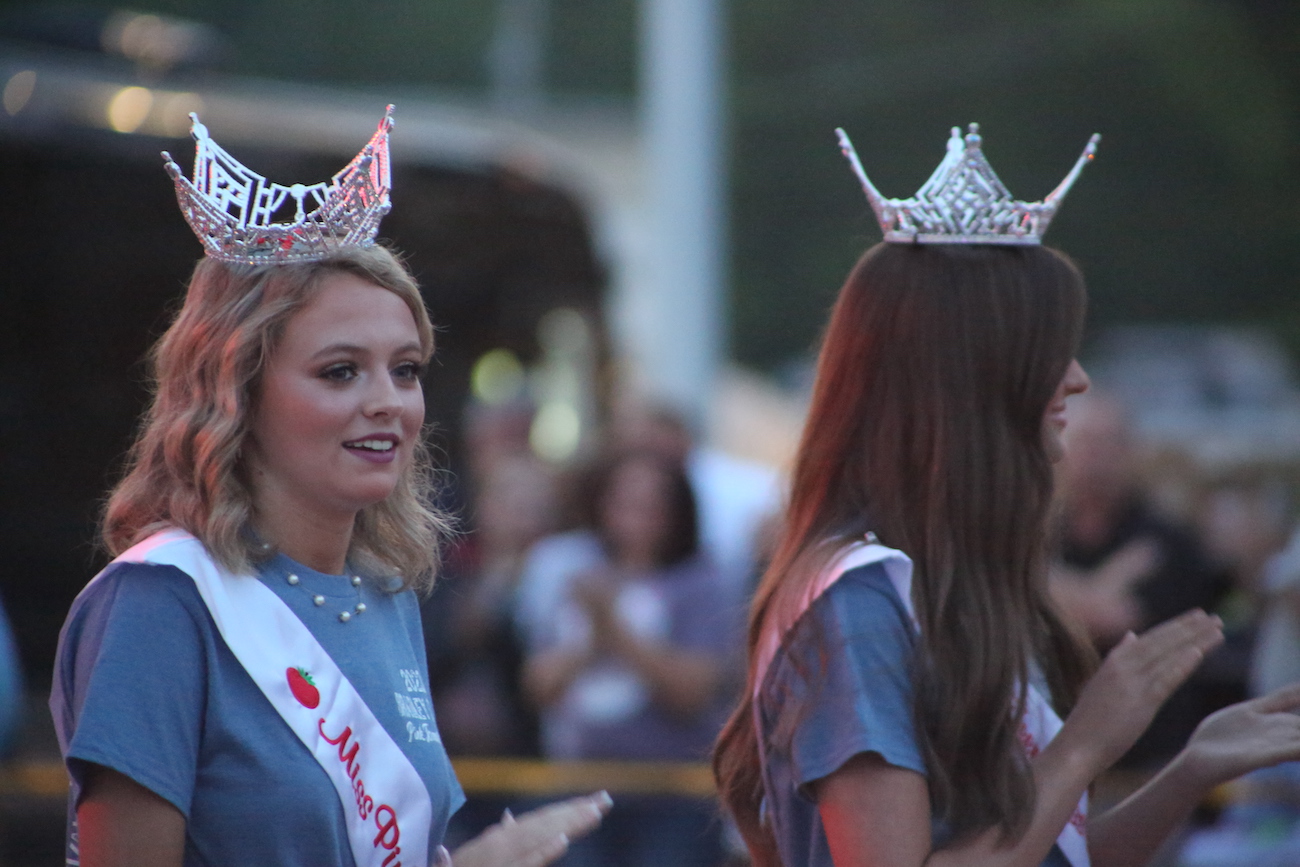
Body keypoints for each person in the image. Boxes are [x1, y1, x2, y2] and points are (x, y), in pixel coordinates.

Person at [712, 123, 1300, 867]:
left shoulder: (950, 585)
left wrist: (1190, 771)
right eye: (1051, 351)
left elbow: (1048, 855)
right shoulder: (857, 602)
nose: (1078, 379)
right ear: (977, 378)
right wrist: (1087, 741)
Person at [49, 106, 609, 867]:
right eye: (340, 370)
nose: (388, 400)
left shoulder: (385, 592)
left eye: (404, 369)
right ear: (236, 390)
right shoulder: (163, 602)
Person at [520, 449, 739, 867]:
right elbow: (539, 685)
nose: (635, 518)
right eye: (623, 503)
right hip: (581, 786)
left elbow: (691, 695)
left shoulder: (700, 580)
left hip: (671, 796)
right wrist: (593, 638)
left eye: (652, 506)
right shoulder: (577, 571)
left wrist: (612, 628)